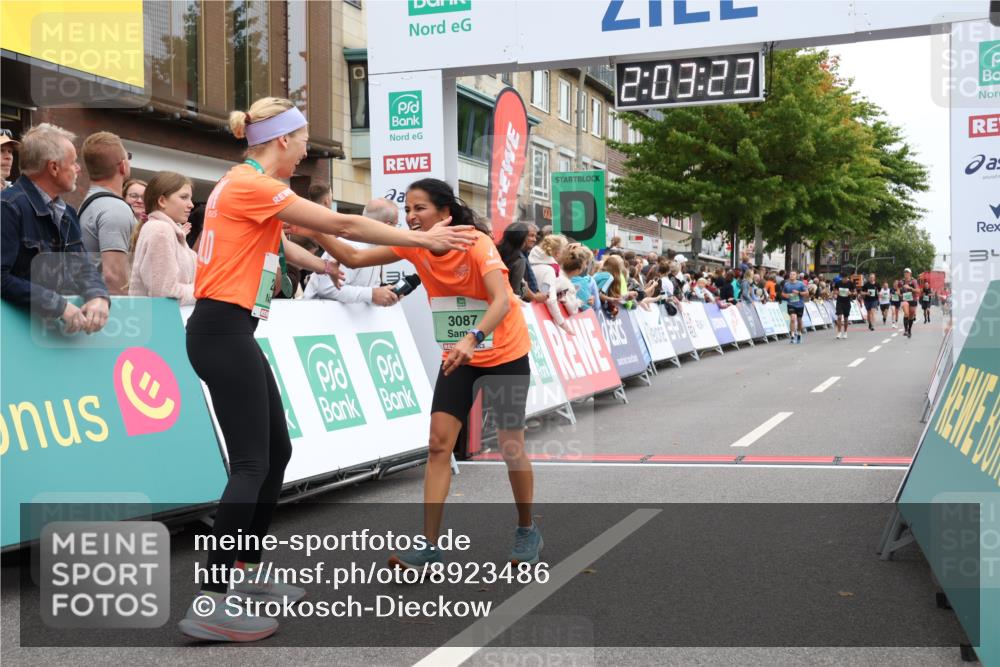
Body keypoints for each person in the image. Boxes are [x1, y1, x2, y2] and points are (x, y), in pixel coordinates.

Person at [178, 98, 476, 643]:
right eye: (304, 138)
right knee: (250, 463)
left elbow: (340, 251)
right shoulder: (252, 184)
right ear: (281, 141)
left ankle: (245, 574)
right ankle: (213, 597)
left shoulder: (244, 189)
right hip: (220, 330)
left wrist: (325, 261)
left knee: (277, 453)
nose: (308, 149)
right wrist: (422, 239)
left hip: (230, 331)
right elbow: (339, 221)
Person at [295, 177, 539, 571]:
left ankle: (528, 528)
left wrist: (472, 338)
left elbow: (501, 301)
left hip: (503, 354)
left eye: (420, 208)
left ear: (445, 212)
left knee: (511, 447)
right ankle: (429, 545)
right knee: (439, 445)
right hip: (458, 358)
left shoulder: (473, 243)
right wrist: (314, 229)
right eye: (407, 209)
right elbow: (355, 259)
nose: (411, 216)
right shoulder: (414, 245)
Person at [1, 123, 109, 333]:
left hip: (56, 338)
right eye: (73, 162)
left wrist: (98, 296)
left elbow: (83, 267)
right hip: (15, 339)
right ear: (53, 167)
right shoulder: (7, 207)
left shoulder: (67, 213)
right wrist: (57, 305)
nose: (78, 169)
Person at [303, 198, 400, 306]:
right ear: (387, 225)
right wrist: (372, 294)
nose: (397, 230)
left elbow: (370, 290)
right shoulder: (348, 245)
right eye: (396, 225)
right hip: (320, 318)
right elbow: (327, 288)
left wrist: (385, 294)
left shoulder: (375, 248)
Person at [78, 132, 136, 296]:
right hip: (111, 311)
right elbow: (113, 275)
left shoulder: (89, 204)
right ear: (123, 166)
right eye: (128, 157)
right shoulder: (115, 208)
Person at [128, 171, 197, 304]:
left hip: (160, 320)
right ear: (162, 201)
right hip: (157, 321)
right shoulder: (160, 230)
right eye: (184, 197)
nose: (191, 204)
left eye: (190, 198)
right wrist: (200, 291)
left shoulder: (167, 230)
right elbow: (165, 292)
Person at [529, 233, 574, 334]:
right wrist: (564, 325)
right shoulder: (549, 270)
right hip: (535, 317)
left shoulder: (529, 259)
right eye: (563, 251)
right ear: (558, 253)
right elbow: (549, 299)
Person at [497, 222, 530, 298]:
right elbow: (515, 292)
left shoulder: (493, 251)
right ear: (521, 240)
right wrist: (524, 289)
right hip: (506, 302)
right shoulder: (519, 260)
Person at [781, 270, 807, 344]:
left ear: (796, 276)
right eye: (791, 274)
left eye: (793, 274)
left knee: (799, 320)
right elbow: (783, 293)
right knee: (792, 318)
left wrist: (798, 293)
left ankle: (799, 333)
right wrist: (787, 296)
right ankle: (792, 335)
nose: (791, 275)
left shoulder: (801, 284)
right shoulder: (786, 284)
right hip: (791, 304)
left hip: (800, 305)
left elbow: (807, 293)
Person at [897, 268, 921, 338]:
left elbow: (918, 291)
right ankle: (906, 330)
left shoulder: (914, 281)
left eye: (907, 272)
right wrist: (899, 294)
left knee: (911, 315)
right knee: (906, 313)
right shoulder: (901, 282)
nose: (906, 274)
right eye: (905, 272)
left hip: (913, 300)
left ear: (910, 273)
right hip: (905, 300)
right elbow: (898, 289)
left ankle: (909, 329)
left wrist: (910, 288)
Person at [834, 271, 856, 339]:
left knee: (846, 318)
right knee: (839, 317)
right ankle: (839, 332)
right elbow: (835, 290)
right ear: (841, 278)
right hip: (839, 301)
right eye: (843, 278)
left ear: (847, 278)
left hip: (847, 302)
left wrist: (851, 293)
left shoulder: (850, 283)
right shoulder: (838, 283)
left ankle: (845, 332)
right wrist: (836, 292)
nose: (844, 280)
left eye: (845, 278)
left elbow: (855, 292)